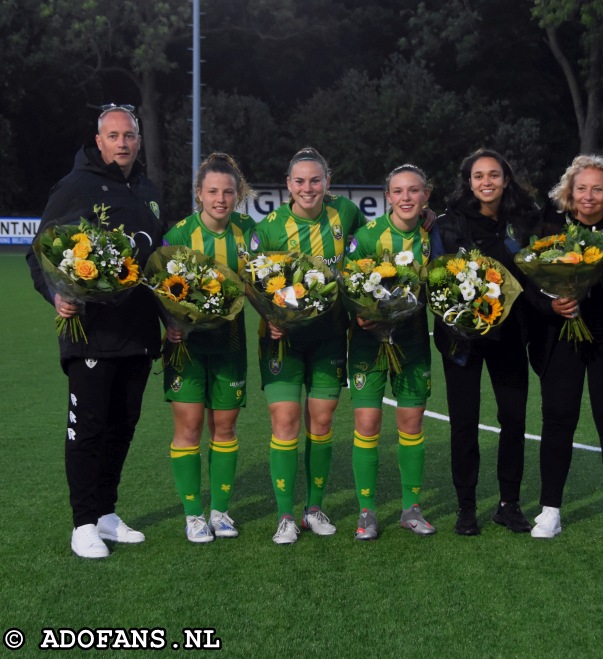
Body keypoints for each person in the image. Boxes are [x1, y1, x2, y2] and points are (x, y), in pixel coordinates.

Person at [26, 103, 165, 559]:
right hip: (90, 332)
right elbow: (40, 252)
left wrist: (172, 319)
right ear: (99, 140)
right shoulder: (76, 185)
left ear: (138, 141)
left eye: (129, 136)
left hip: (138, 333)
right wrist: (58, 295)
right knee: (87, 429)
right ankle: (82, 522)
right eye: (114, 136)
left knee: (122, 427)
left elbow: (157, 266)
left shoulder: (147, 191)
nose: (123, 143)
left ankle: (106, 513)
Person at [250, 147, 366, 545]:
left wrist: (427, 218)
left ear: (328, 182)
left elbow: (372, 243)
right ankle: (285, 515)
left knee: (321, 423)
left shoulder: (345, 215)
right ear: (288, 185)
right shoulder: (268, 227)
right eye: (299, 181)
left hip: (330, 338)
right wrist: (269, 317)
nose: (308, 188)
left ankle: (314, 508)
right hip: (282, 342)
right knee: (284, 424)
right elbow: (252, 283)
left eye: (315, 180)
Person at [528, 154, 603, 544]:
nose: (589, 197)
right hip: (562, 334)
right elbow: (530, 283)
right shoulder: (550, 225)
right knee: (558, 419)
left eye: (598, 189)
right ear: (570, 192)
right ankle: (550, 511)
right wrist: (552, 304)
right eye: (582, 189)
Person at [429, 148, 540, 536]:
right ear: (469, 182)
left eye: (494, 175)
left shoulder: (524, 221)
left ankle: (509, 505)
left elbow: (536, 275)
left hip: (510, 336)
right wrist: (464, 320)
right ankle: (466, 507)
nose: (487, 182)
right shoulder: (447, 225)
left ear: (506, 179)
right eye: (479, 176)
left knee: (513, 420)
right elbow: (437, 283)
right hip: (463, 340)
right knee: (464, 423)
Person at [162, 153, 256, 543]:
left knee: (225, 426)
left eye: (228, 192)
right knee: (189, 428)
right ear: (198, 194)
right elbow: (160, 287)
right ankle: (192, 515)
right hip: (186, 346)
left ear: (238, 196)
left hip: (230, 343)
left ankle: (220, 512)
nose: (221, 199)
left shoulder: (248, 231)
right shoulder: (180, 234)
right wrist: (170, 322)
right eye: (213, 191)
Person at [348, 164, 436, 540]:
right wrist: (361, 314)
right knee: (367, 425)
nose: (406, 198)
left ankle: (410, 509)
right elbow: (349, 286)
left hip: (413, 343)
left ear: (425, 196)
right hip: (367, 344)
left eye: (413, 191)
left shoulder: (433, 237)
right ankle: (366, 511)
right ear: (387, 196)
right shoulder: (367, 236)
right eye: (398, 191)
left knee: (411, 424)